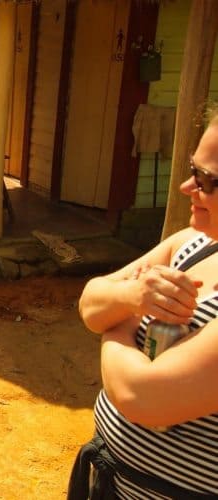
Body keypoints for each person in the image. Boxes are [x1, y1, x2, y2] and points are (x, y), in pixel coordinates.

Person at [69, 108, 218, 498]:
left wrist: (120, 324)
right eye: (192, 169)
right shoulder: (194, 244)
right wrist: (133, 296)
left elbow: (145, 397)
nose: (187, 186)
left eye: (206, 180)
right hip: (111, 480)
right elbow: (90, 303)